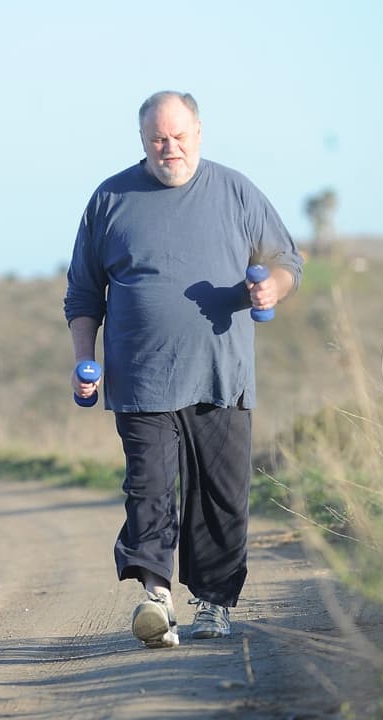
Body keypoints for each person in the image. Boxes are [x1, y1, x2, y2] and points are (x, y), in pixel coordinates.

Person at [64, 91, 303, 648]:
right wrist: (83, 358)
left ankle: (215, 604)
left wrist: (273, 286)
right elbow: (82, 293)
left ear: (199, 132)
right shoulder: (111, 199)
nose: (169, 148)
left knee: (221, 496)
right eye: (157, 139)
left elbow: (287, 262)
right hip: (140, 378)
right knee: (147, 488)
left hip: (222, 376)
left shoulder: (236, 191)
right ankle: (155, 596)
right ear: (143, 139)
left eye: (179, 136)